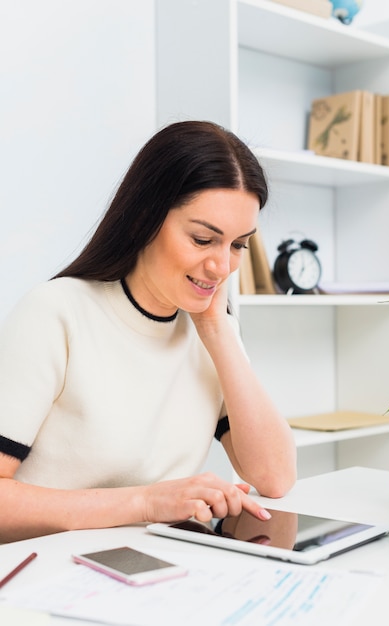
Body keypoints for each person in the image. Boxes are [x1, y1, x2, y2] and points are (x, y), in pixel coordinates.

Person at [0, 120, 296, 543]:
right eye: (202, 239)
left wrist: (217, 329)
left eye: (237, 245)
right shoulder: (57, 313)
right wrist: (145, 503)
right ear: (144, 218)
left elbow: (275, 477)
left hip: (155, 570)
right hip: (49, 574)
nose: (222, 266)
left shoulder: (209, 331)